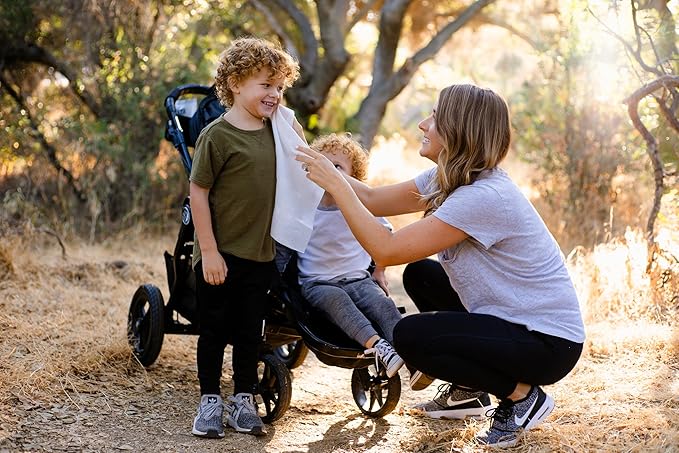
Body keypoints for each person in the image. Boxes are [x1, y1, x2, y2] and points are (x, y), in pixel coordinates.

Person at [295, 84, 585, 448]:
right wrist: (309, 156)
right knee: (421, 275)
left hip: (546, 343)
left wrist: (336, 186)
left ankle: (522, 396)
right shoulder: (449, 178)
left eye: (433, 118)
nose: (422, 124)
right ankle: (469, 391)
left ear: (457, 130)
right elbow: (371, 198)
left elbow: (385, 250)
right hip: (515, 323)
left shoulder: (483, 196)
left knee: (409, 337)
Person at [189, 37, 300, 439]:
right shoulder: (217, 136)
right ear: (235, 83)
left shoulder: (279, 131)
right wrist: (208, 251)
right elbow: (198, 191)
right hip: (221, 254)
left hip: (261, 255)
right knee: (214, 330)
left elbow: (302, 156)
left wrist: (286, 117)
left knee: (250, 333)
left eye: (280, 87)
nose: (274, 94)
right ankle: (209, 401)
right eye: (265, 85)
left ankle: (242, 399)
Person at [295, 133, 405, 378]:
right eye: (324, 164)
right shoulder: (305, 206)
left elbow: (385, 234)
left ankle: (408, 350)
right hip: (318, 283)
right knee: (339, 301)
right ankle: (378, 345)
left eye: (337, 167)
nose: (329, 171)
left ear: (354, 177)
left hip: (358, 278)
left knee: (383, 304)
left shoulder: (360, 206)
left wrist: (379, 270)